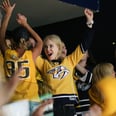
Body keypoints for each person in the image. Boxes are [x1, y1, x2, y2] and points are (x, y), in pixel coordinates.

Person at [35, 8, 95, 116]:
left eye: (51, 46)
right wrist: (26, 26)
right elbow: (31, 53)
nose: (48, 49)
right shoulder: (43, 63)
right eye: (45, 47)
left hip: (69, 106)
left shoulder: (70, 60)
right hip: (51, 107)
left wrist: (89, 23)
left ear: (58, 48)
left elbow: (85, 44)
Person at [0, 0, 43, 102]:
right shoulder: (31, 55)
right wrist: (25, 24)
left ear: (12, 41)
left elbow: (1, 37)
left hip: (13, 102)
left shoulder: (8, 54)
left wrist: (8, 14)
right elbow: (40, 42)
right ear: (27, 42)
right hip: (31, 101)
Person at [74, 50, 96, 115]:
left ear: (88, 55)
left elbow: (90, 78)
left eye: (83, 51)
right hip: (75, 108)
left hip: (89, 107)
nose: (81, 53)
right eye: (79, 51)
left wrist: (74, 63)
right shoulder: (70, 69)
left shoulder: (93, 69)